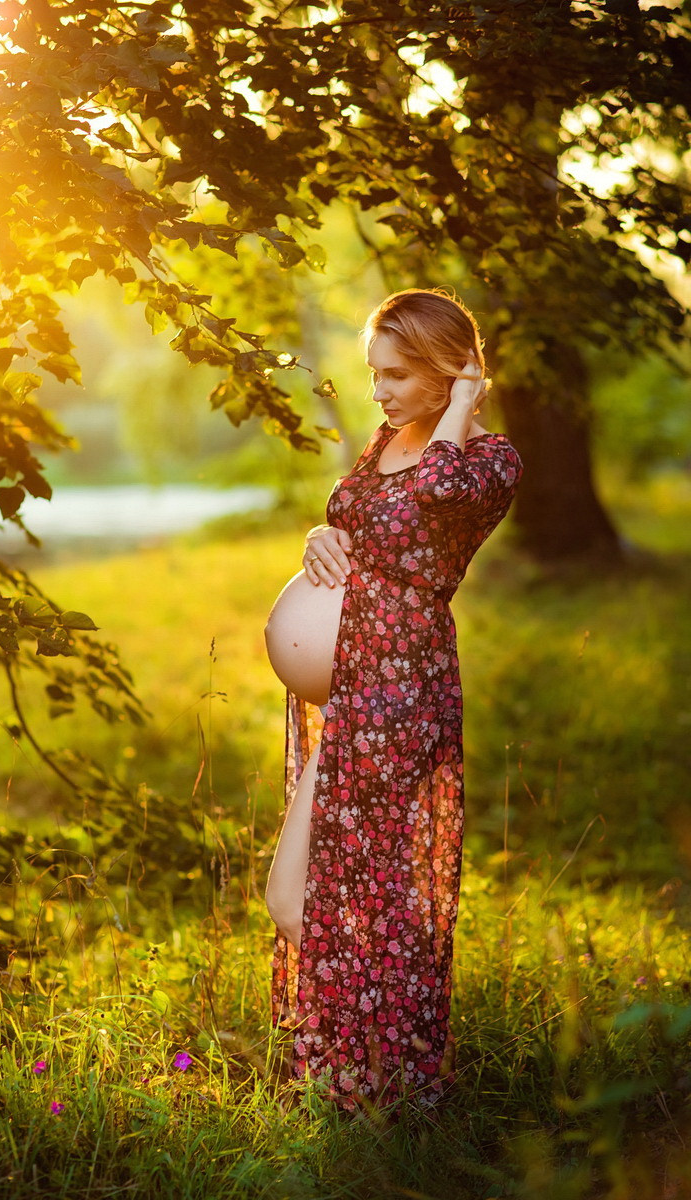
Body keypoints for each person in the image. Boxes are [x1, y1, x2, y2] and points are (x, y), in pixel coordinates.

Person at [263, 287, 523, 1116]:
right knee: (303, 891)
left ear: (450, 373)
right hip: (353, 691)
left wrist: (466, 403)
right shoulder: (389, 440)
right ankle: (359, 1063)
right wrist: (320, 534)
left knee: (362, 886)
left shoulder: (489, 461)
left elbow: (439, 497)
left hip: (399, 689)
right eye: (373, 374)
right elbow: (359, 520)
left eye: (397, 377)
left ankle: (388, 1079)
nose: (377, 392)